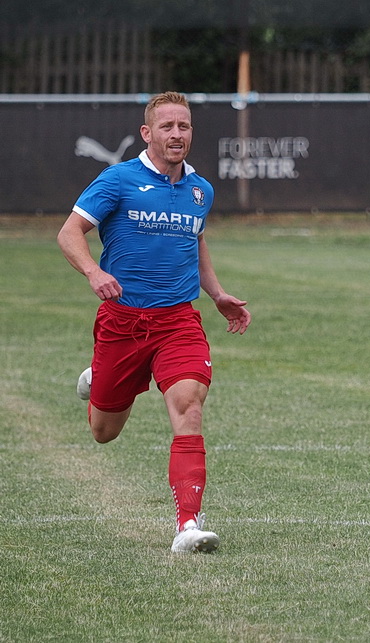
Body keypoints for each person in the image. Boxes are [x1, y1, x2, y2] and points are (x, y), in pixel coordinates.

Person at [57, 91, 251, 553]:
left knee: (189, 406)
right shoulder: (117, 180)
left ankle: (188, 525)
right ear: (148, 133)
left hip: (178, 321)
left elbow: (195, 243)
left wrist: (217, 293)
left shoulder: (201, 189)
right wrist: (94, 271)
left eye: (183, 126)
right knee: (104, 432)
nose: (177, 134)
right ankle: (98, 376)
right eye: (167, 127)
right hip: (123, 323)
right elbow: (69, 233)